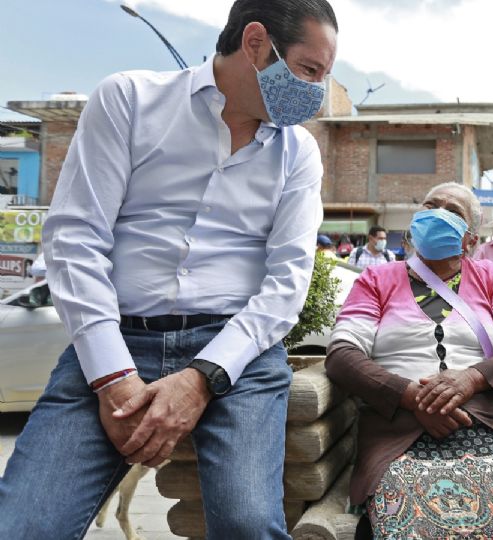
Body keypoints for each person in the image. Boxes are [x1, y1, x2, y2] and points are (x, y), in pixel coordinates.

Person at [0, 1, 337, 537]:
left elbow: (286, 286)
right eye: (310, 70)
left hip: (238, 356)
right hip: (119, 337)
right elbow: (75, 239)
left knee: (250, 525)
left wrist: (203, 379)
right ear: (256, 44)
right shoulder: (130, 99)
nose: (317, 92)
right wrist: (114, 379)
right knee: (23, 525)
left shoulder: (298, 154)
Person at [325, 182, 493, 539]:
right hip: (396, 429)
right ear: (415, 222)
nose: (439, 213)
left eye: (453, 211)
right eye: (432, 205)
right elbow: (342, 355)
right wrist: (411, 396)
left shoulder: (491, 278)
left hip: (487, 423)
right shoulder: (376, 279)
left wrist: (471, 380)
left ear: (470, 240)